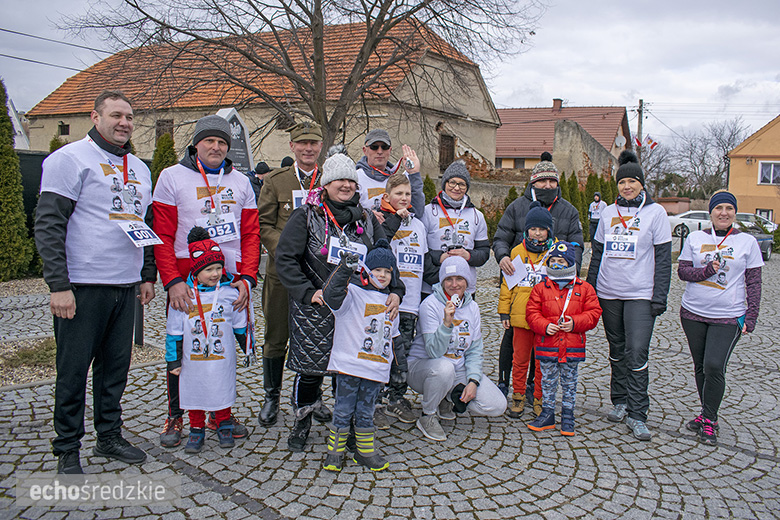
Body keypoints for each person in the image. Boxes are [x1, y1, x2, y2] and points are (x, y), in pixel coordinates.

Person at [35, 90, 156, 474]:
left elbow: (144, 224)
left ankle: (109, 436)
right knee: (72, 371)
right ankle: (67, 447)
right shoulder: (68, 159)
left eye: (130, 116)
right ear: (95, 116)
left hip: (125, 286)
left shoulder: (139, 167)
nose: (124, 122)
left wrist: (146, 275)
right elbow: (49, 225)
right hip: (83, 285)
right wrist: (59, 285)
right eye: (116, 115)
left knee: (115, 369)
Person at [275, 151, 404, 452]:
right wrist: (308, 292)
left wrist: (396, 289)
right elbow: (286, 259)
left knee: (347, 370)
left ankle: (342, 426)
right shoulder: (306, 215)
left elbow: (384, 257)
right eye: (339, 180)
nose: (345, 185)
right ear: (326, 183)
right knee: (310, 370)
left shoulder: (368, 219)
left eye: (350, 180)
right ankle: (303, 418)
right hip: (315, 307)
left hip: (354, 310)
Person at [153, 114, 260, 447]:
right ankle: (176, 415)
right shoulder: (171, 177)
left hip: (228, 281)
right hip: (188, 283)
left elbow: (251, 233)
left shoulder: (241, 182)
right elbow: (163, 233)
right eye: (209, 141)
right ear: (196, 143)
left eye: (222, 142)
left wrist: (247, 278)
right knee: (186, 347)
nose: (216, 147)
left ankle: (217, 411)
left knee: (221, 347)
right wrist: (171, 281)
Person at [586, 150, 671, 441]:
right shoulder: (608, 212)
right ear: (617, 185)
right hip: (610, 292)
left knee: (637, 352)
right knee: (617, 351)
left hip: (640, 295)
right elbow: (597, 255)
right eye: (623, 182)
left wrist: (660, 296)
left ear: (642, 185)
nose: (627, 187)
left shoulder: (655, 213)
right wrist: (590, 290)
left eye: (633, 182)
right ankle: (619, 401)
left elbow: (663, 259)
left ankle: (638, 414)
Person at [256, 121, 332, 428]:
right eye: (303, 144)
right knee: (276, 336)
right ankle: (271, 396)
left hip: (318, 276)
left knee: (318, 336)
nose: (309, 149)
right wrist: (287, 250)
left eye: (314, 144)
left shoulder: (329, 179)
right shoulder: (277, 181)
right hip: (282, 273)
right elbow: (263, 225)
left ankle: (312, 397)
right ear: (293, 147)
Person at [492, 152, 584, 397]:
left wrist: (569, 271)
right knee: (513, 337)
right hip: (518, 283)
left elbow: (577, 245)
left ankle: (535, 384)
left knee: (543, 339)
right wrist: (502, 257)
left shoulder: (569, 210)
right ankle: (505, 381)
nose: (547, 186)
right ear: (533, 182)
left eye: (552, 181)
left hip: (551, 289)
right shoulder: (516, 207)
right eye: (542, 181)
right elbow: (501, 237)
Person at [677, 191, 762, 446]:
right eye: (718, 208)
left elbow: (754, 282)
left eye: (728, 208)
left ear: (734, 212)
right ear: (711, 212)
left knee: (715, 365)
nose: (723, 213)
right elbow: (683, 272)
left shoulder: (747, 242)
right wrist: (707, 270)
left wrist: (752, 315)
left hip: (728, 315)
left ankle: (710, 420)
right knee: (701, 366)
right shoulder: (695, 237)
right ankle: (706, 414)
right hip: (693, 313)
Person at [165, 227, 248, 453]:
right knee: (194, 391)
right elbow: (173, 332)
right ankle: (196, 429)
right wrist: (173, 361)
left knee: (222, 387)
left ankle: (224, 424)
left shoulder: (230, 293)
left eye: (218, 268)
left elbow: (241, 323)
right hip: (193, 359)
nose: (215, 274)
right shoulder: (184, 296)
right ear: (196, 271)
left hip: (222, 357)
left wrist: (247, 347)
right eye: (209, 269)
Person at [407, 256, 507, 442]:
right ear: (442, 281)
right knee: (444, 368)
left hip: (457, 368)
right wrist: (447, 323)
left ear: (467, 281)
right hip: (424, 367)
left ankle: (448, 397)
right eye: (448, 279)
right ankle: (428, 415)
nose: (454, 285)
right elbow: (434, 352)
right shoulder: (430, 305)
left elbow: (475, 350)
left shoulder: (473, 307)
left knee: (497, 405)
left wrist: (473, 381)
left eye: (459, 279)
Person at [321, 240, 400, 472]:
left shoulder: (391, 302)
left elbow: (394, 338)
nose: (383, 275)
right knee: (343, 410)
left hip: (375, 370)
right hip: (350, 367)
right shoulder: (352, 294)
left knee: (366, 412)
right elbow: (331, 294)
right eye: (377, 270)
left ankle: (364, 452)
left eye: (387, 272)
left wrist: (400, 366)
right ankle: (334, 452)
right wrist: (345, 268)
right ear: (366, 270)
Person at [376, 174, 437, 425]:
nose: (403, 198)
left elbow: (426, 265)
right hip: (384, 302)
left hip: (410, 303)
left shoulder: (418, 225)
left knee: (402, 354)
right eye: (398, 193)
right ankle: (375, 399)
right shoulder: (377, 220)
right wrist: (393, 219)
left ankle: (396, 398)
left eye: (408, 194)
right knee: (380, 350)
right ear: (387, 196)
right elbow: (377, 248)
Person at [525, 242, 602, 435]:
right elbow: (531, 313)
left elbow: (594, 313)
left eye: (561, 261)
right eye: (554, 261)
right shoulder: (541, 288)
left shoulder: (584, 288)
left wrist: (575, 323)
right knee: (547, 382)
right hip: (547, 346)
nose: (557, 264)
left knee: (569, 382)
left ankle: (568, 415)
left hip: (572, 347)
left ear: (570, 263)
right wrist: (544, 326)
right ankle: (548, 413)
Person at [497, 202, 554, 419]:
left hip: (546, 318)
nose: (537, 233)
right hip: (520, 317)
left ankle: (539, 398)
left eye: (541, 229)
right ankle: (518, 397)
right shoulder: (517, 251)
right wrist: (504, 312)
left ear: (549, 230)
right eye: (533, 229)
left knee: (541, 362)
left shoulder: (555, 250)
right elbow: (507, 285)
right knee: (519, 360)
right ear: (526, 230)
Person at [420, 160, 490, 294]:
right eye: (452, 182)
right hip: (432, 287)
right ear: (444, 183)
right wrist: (439, 257)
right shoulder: (428, 212)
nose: (456, 188)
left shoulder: (477, 216)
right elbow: (420, 250)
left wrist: (468, 255)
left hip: (465, 289)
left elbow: (484, 252)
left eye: (462, 184)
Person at [355, 129, 425, 220]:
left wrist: (414, 174)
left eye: (384, 147)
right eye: (374, 147)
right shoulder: (355, 178)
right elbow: (344, 211)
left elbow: (417, 213)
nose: (380, 151)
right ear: (365, 150)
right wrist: (365, 216)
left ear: (390, 150)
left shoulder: (399, 179)